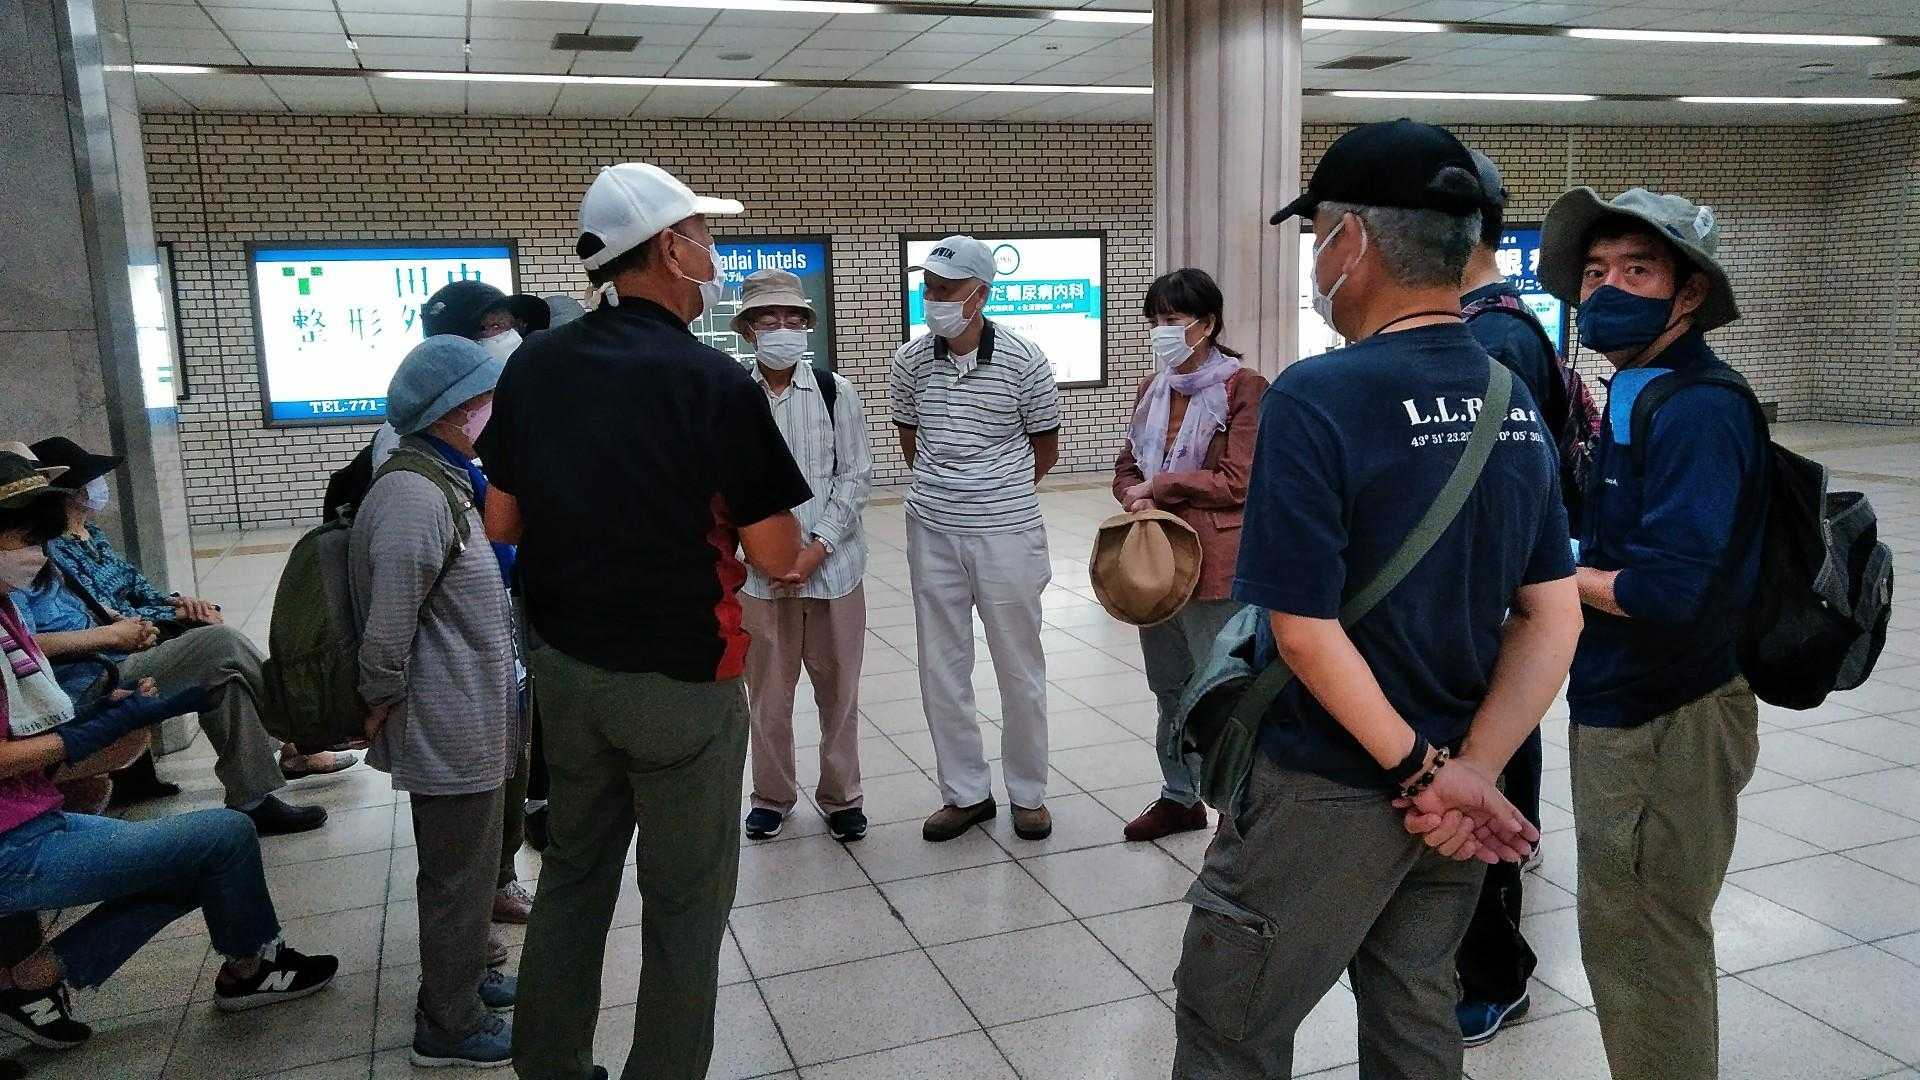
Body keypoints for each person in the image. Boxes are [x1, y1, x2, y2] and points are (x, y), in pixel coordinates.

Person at [1172, 120, 1582, 1079]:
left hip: (1330, 784)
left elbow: (1305, 633)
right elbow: (1552, 613)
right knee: (1414, 1017)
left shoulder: (1317, 396)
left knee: (1231, 1025)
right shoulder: (1508, 395)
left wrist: (1418, 772)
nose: (1318, 261)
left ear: (1351, 240)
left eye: (1319, 237)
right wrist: (1470, 772)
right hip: (1453, 795)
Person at [478, 162, 810, 1080]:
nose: (712, 253)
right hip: (681, 680)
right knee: (684, 904)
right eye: (703, 236)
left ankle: (549, 1064)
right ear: (669, 248)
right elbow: (775, 552)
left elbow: (501, 522)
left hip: (567, 671)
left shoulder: (535, 365)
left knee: (574, 876)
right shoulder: (712, 383)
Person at [0, 451, 339, 1049]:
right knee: (224, 838)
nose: (34, 552)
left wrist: (119, 708)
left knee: (197, 847)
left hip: (32, 817)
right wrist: (87, 732)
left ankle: (32, 981)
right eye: (21, 538)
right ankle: (252, 966)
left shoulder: (6, 613)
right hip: (13, 845)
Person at [1538, 185, 1764, 1080]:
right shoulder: (1639, 388)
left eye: (1638, 269)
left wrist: (1544, 574)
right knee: (1623, 931)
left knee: (1646, 940)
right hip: (1626, 698)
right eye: (1596, 271)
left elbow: (1667, 590)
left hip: (1670, 712)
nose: (1608, 288)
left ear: (1690, 291)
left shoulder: (1700, 406)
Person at [7, 444, 331, 837]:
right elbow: (24, 645)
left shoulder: (54, 549)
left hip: (115, 652)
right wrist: (112, 633)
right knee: (221, 644)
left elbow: (114, 598)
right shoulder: (24, 566)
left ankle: (253, 800)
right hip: (89, 676)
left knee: (223, 680)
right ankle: (307, 727)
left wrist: (167, 610)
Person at [352, 335, 521, 1068]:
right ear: (455, 410)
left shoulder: (446, 480)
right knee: (455, 878)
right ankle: (447, 1025)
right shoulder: (413, 496)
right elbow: (389, 627)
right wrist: (380, 698)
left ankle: (469, 978)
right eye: (488, 398)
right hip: (445, 721)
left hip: (473, 715)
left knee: (474, 868)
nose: (496, 410)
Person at [892, 235, 1062, 844]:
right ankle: (965, 793)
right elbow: (910, 439)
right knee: (942, 666)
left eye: (947, 290)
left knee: (1019, 667)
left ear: (980, 294)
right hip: (932, 529)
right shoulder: (910, 360)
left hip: (1006, 532)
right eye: (929, 289)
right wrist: (950, 491)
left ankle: (1029, 794)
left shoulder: (1025, 360)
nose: (934, 300)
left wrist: (994, 492)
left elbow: (1045, 447)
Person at [1450, 147, 1558, 1046]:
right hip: (1488, 603)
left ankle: (1497, 976)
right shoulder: (1491, 327)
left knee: (1488, 769)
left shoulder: (1498, 340)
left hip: (1494, 605)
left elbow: (1502, 496)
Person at [1110, 268, 1267, 842]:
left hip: (1214, 565)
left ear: (1207, 323)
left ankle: (1236, 809)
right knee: (1169, 686)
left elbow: (1238, 480)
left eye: (1172, 320)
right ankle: (1180, 796)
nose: (1162, 331)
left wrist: (1162, 486)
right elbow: (1127, 466)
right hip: (1155, 563)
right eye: (1155, 320)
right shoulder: (1153, 390)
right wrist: (1132, 492)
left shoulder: (1244, 388)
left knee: (1221, 688)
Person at [730, 269, 875, 844]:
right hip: (759, 578)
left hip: (834, 571)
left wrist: (816, 548)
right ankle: (772, 796)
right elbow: (722, 487)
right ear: (748, 329)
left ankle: (842, 798)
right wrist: (763, 556)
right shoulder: (732, 398)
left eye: (793, 318)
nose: (782, 328)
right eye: (769, 318)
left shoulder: (836, 392)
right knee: (768, 696)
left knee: (839, 692)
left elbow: (855, 477)